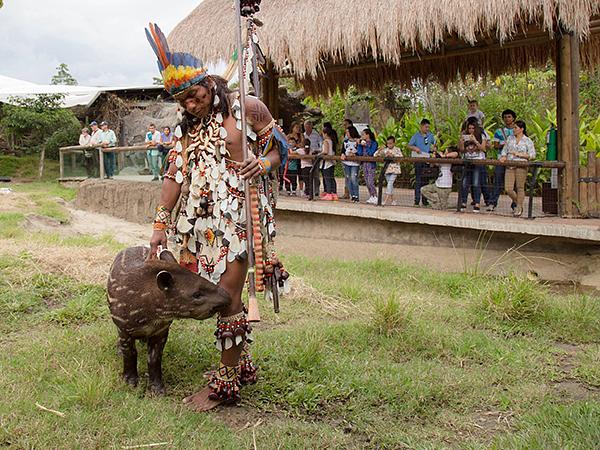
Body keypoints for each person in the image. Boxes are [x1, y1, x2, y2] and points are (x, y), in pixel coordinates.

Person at [146, 23, 287, 411]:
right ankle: (240, 366)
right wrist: (160, 225)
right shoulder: (184, 130)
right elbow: (174, 176)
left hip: (240, 220)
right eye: (182, 101)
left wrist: (262, 162)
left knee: (227, 298)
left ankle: (224, 388)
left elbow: (282, 149)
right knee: (217, 297)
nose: (191, 105)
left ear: (209, 83)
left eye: (194, 95)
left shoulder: (247, 108)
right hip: (200, 227)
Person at [500, 120, 536, 217]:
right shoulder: (510, 139)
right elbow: (504, 150)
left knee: (520, 187)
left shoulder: (527, 140)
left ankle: (518, 207)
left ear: (521, 129)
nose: (514, 130)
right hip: (510, 165)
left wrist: (520, 155)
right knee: (508, 188)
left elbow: (532, 155)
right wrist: (503, 156)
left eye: (516, 128)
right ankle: (518, 202)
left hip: (521, 165)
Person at [458, 119, 490, 212]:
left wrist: (475, 141)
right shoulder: (465, 136)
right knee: (464, 182)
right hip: (468, 161)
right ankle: (463, 202)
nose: (471, 130)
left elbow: (483, 148)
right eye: (469, 128)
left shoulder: (481, 135)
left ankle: (477, 203)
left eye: (473, 128)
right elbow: (462, 150)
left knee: (476, 182)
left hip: (478, 161)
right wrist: (461, 142)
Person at [488, 109, 517, 211]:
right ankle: (492, 203)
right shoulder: (499, 131)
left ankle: (515, 204)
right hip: (501, 159)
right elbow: (495, 145)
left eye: (509, 117)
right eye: (505, 117)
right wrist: (504, 144)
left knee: (514, 183)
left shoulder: (517, 130)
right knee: (498, 181)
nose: (507, 119)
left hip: (514, 159)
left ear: (513, 118)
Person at [408, 119, 436, 206]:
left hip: (427, 159)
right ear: (421, 126)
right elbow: (409, 145)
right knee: (418, 180)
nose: (427, 128)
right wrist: (415, 148)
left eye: (428, 127)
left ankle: (425, 201)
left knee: (425, 180)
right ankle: (416, 201)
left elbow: (434, 145)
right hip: (418, 159)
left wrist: (433, 149)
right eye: (426, 127)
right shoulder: (416, 136)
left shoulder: (430, 135)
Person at [374, 136, 403, 206]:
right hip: (387, 169)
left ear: (394, 143)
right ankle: (393, 200)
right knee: (390, 185)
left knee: (390, 184)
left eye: (391, 143)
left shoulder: (397, 149)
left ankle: (385, 200)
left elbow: (401, 157)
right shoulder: (385, 150)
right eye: (388, 143)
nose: (389, 145)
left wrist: (393, 155)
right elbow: (375, 155)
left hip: (395, 169)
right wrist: (380, 150)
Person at [357, 128, 378, 204]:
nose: (362, 136)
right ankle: (371, 196)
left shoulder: (374, 143)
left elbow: (371, 152)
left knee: (370, 181)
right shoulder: (362, 143)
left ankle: (375, 195)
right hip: (364, 164)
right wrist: (359, 145)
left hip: (371, 164)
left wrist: (366, 145)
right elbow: (359, 153)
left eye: (363, 134)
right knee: (366, 180)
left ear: (367, 135)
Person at [341, 126, 360, 202]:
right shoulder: (345, 142)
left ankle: (356, 195)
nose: (347, 134)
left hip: (355, 163)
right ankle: (352, 195)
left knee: (353, 178)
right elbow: (342, 150)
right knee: (348, 178)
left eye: (348, 132)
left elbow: (360, 151)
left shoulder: (358, 141)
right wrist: (342, 154)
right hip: (346, 162)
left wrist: (355, 155)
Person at [304, 120, 322, 196]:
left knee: (316, 174)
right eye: (306, 127)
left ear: (311, 127)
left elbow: (321, 145)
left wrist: (317, 151)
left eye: (309, 126)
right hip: (306, 157)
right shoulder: (303, 135)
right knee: (306, 174)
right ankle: (308, 190)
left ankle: (316, 191)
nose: (307, 128)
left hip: (315, 157)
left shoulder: (316, 134)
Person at [319, 127, 338, 200]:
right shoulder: (332, 141)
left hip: (326, 163)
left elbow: (325, 151)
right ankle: (334, 193)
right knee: (331, 178)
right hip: (332, 162)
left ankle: (329, 193)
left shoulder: (326, 141)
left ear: (325, 134)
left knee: (327, 178)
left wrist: (320, 154)